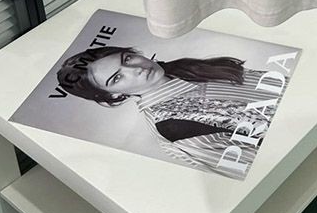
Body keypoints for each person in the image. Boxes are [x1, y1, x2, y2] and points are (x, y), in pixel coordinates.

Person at [56, 45, 285, 179]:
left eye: (127, 59)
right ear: (114, 96)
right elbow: (257, 168)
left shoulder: (184, 69)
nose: (136, 69)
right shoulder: (174, 126)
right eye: (117, 78)